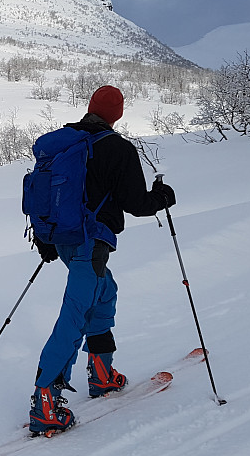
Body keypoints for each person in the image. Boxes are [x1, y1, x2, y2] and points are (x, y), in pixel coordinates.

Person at [28, 85, 175, 436]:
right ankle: (45, 399)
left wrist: (47, 238)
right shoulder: (118, 148)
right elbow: (137, 203)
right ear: (118, 114)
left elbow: (45, 192)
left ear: (90, 108)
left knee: (104, 292)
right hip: (89, 243)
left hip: (62, 241)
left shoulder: (62, 141)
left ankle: (102, 372)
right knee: (76, 313)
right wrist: (163, 197)